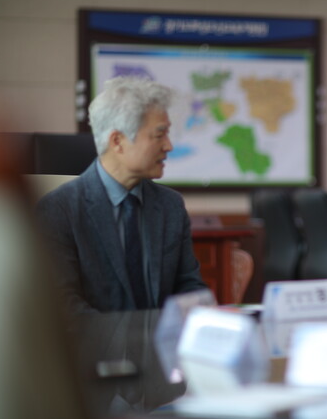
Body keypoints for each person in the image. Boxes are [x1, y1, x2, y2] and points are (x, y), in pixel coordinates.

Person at [36, 77, 207, 313]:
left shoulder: (171, 206)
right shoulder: (58, 210)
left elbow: (190, 287)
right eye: (159, 135)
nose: (169, 146)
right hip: (96, 338)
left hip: (161, 337)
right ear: (117, 141)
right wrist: (124, 335)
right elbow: (65, 307)